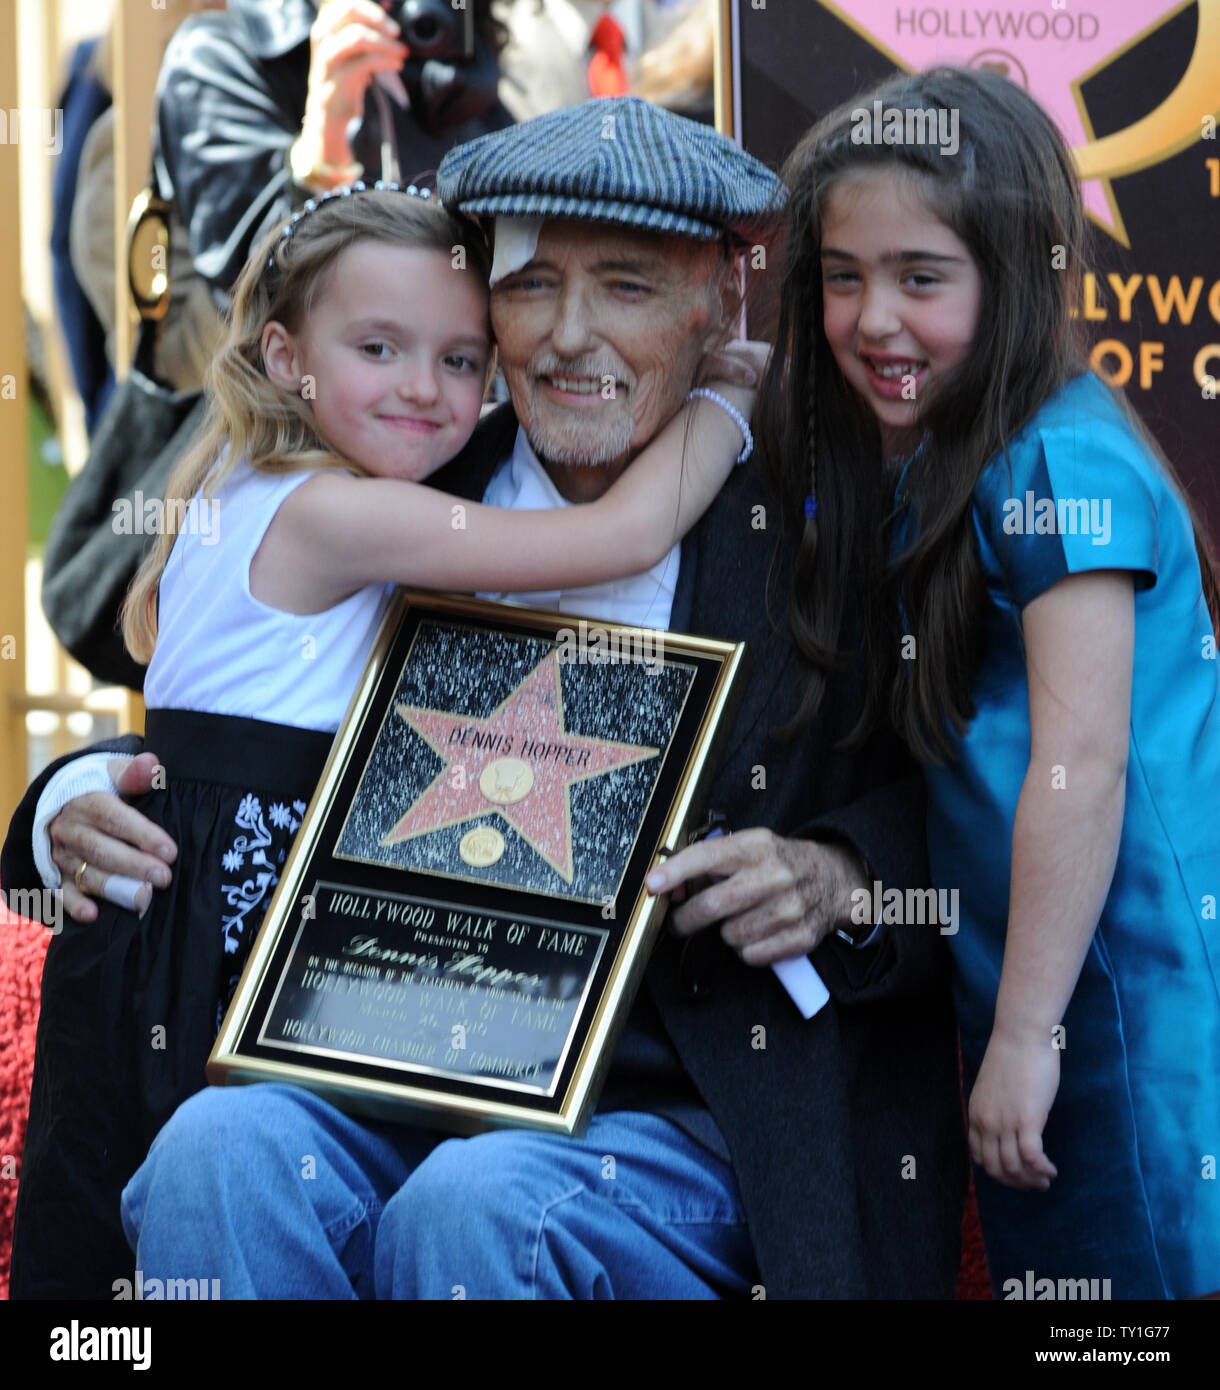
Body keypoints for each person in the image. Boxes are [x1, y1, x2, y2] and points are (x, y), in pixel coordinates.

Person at [5, 97, 967, 1300]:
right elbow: (198, 682)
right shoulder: (401, 457)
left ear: (718, 304)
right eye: (527, 287)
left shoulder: (830, 524)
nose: (567, 337)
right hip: (381, 1082)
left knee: (478, 1210)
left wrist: (830, 877)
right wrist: (73, 798)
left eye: (622, 285)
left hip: (679, 1110)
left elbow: (973, 818)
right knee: (215, 1150)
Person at [758, 66, 1220, 1300]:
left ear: (1010, 277)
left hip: (1123, 1001)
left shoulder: (1061, 458)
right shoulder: (945, 451)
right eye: (841, 276)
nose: (871, 319)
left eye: (920, 277)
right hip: (1035, 995)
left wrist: (1024, 1036)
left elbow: (1082, 769)